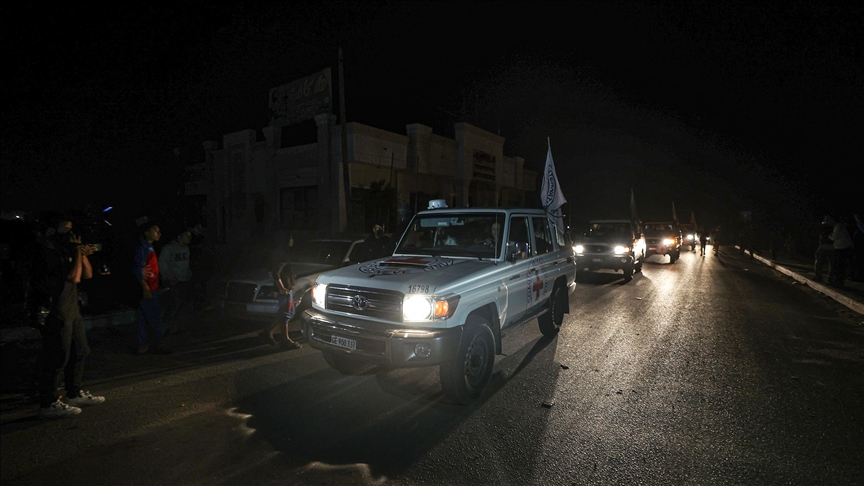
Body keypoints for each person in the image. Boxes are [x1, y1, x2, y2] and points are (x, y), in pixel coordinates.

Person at [33, 218, 105, 419]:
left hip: (72, 310)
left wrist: (81, 254)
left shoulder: (65, 251)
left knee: (80, 351)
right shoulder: (48, 253)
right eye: (66, 231)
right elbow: (74, 277)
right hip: (57, 311)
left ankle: (74, 393)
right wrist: (76, 252)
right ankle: (48, 403)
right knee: (58, 357)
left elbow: (88, 274)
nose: (72, 236)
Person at [134, 220, 171, 354]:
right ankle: (159, 344)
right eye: (155, 231)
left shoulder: (149, 247)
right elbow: (138, 268)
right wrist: (146, 288)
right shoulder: (142, 247)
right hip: (149, 289)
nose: (159, 233)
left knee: (143, 318)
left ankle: (143, 345)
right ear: (147, 232)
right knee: (155, 317)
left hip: (152, 287)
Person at [264, 247, 302, 349]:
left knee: (290, 313)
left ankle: (268, 331)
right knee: (286, 314)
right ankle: (286, 340)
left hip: (287, 290)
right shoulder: (283, 256)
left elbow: (270, 271)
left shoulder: (276, 256)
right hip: (285, 292)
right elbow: (275, 273)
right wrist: (281, 288)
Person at [158, 229, 193, 334]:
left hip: (183, 280)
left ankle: (175, 327)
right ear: (179, 236)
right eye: (187, 236)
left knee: (182, 303)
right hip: (172, 281)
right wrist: (168, 277)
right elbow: (162, 264)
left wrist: (188, 273)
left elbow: (186, 263)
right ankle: (165, 328)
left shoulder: (186, 248)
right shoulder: (169, 248)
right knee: (172, 304)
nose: (189, 238)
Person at [824, 215, 853, 287]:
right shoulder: (838, 226)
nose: (827, 223)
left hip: (842, 248)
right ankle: (838, 281)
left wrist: (829, 236)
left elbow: (835, 237)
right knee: (839, 265)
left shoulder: (839, 226)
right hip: (841, 247)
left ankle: (839, 282)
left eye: (828, 220)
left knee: (840, 266)